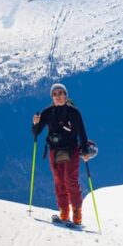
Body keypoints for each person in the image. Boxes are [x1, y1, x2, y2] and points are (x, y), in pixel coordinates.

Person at [31, 83, 90, 225]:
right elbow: (36, 132)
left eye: (60, 93)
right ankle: (64, 212)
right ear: (52, 97)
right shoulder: (47, 112)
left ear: (65, 95)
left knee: (70, 180)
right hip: (54, 150)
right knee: (59, 182)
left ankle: (76, 213)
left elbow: (82, 131)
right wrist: (35, 123)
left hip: (71, 150)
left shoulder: (73, 112)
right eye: (55, 94)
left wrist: (85, 150)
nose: (58, 96)